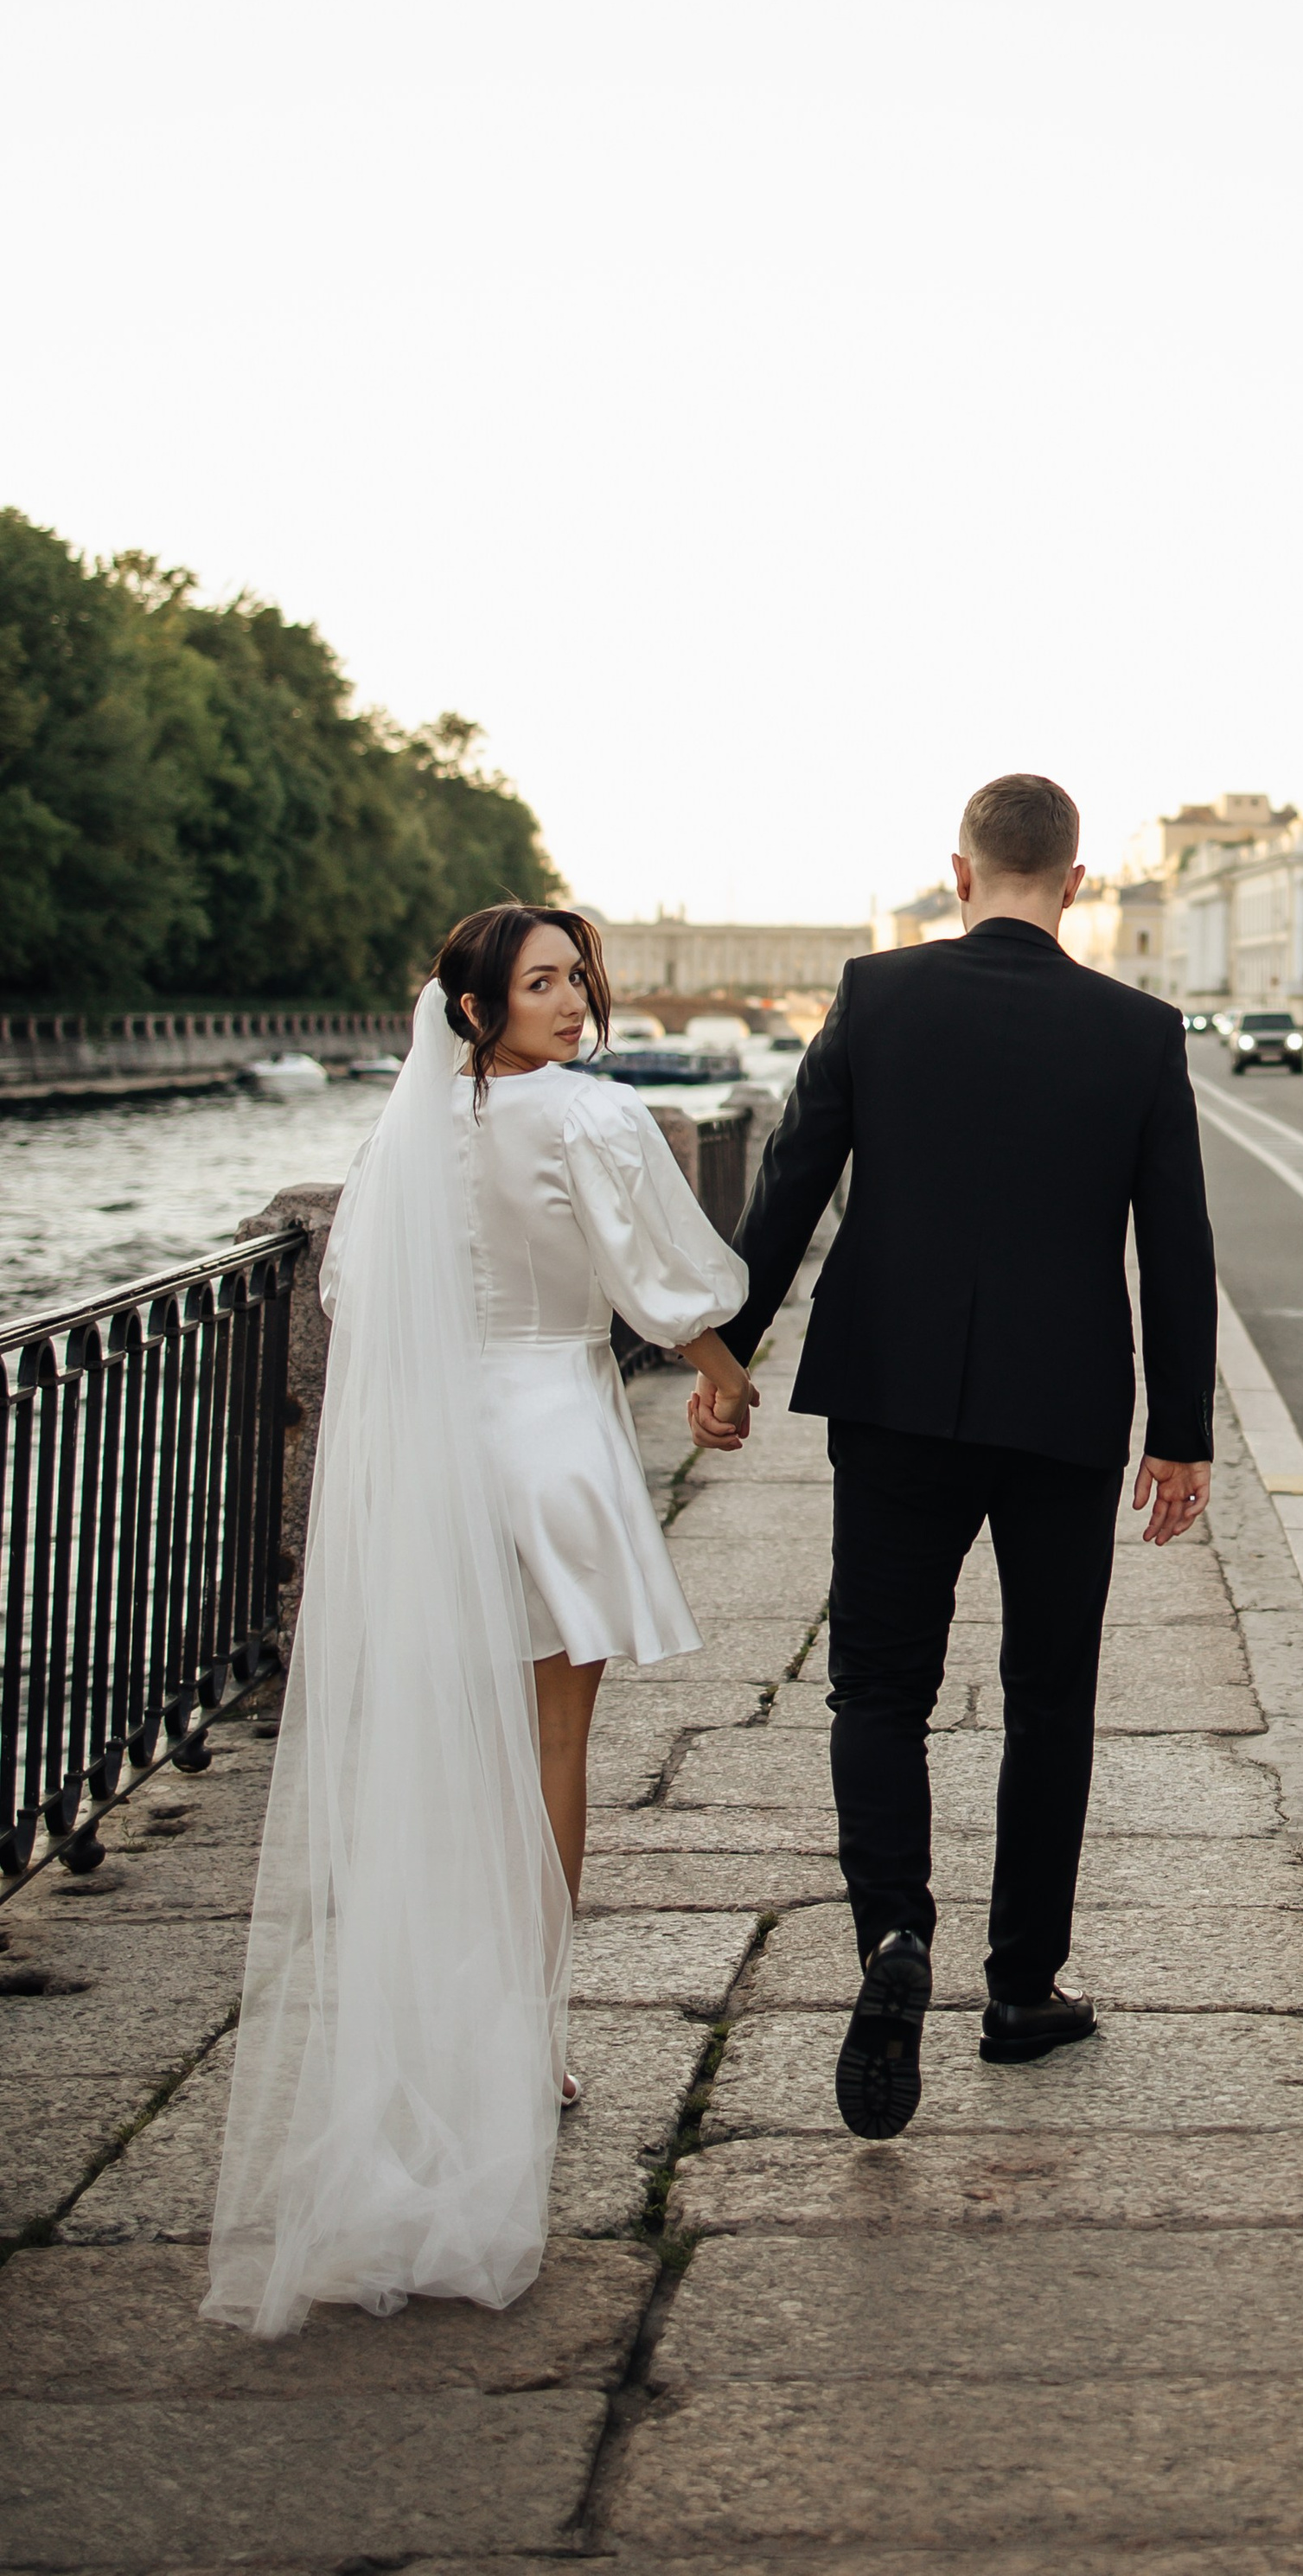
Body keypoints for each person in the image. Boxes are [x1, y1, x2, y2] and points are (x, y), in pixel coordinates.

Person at [203, 905, 757, 2339]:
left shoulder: (409, 1134)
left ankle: (446, 2026)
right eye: (542, 983)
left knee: (453, 1746)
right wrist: (722, 1376)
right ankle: (529, 2042)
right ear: (477, 1005)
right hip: (554, 1437)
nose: (573, 1003)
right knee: (554, 1748)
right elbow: (660, 1279)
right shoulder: (590, 1118)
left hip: (442, 1449)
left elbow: (355, 1289)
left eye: (578, 978)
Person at [693, 772, 1217, 2140]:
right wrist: (1182, 1436)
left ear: (962, 870)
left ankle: (891, 1941)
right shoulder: (1140, 1032)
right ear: (1079, 885)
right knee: (1051, 1702)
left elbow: (790, 1184)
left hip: (892, 1397)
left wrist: (726, 1352)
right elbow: (1177, 1246)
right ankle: (1021, 1990)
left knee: (876, 1688)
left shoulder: (876, 998)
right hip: (1063, 1414)